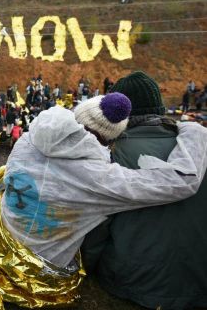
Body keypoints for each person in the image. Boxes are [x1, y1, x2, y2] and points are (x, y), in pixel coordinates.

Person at [0, 92, 207, 310]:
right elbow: (181, 182)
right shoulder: (101, 180)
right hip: (33, 276)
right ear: (111, 139)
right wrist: (192, 131)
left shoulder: (30, 137)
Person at [83, 71, 207, 310]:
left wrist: (87, 267)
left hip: (135, 283)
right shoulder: (198, 144)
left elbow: (95, 228)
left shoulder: (109, 156)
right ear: (159, 107)